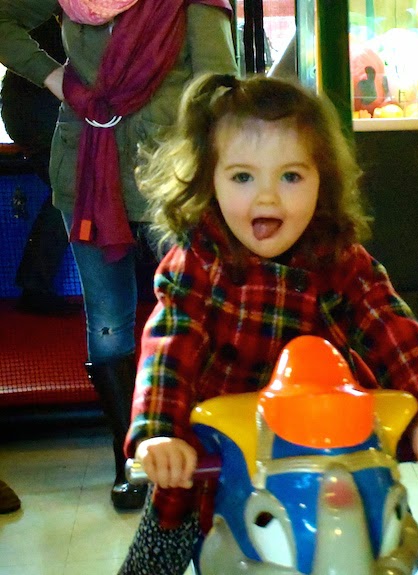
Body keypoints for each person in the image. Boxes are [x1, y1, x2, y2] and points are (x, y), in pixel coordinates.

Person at [118, 73, 418, 574]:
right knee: (160, 544)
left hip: (321, 449)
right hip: (217, 452)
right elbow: (171, 343)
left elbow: (388, 323)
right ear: (209, 181)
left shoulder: (338, 258)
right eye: (242, 177)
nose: (267, 199)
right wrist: (160, 433)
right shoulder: (198, 261)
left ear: (323, 181)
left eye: (291, 177)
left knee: (381, 531)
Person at [0, 0, 238, 511]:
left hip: (172, 180)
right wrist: (56, 79)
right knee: (108, 325)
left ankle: (194, 446)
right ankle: (129, 457)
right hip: (86, 170)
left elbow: (218, 90)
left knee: (194, 315)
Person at [0, 15, 76, 315]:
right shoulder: (66, 19)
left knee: (71, 188)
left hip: (29, 114)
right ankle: (35, 284)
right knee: (71, 189)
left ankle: (35, 283)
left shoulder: (46, 18)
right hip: (41, 116)